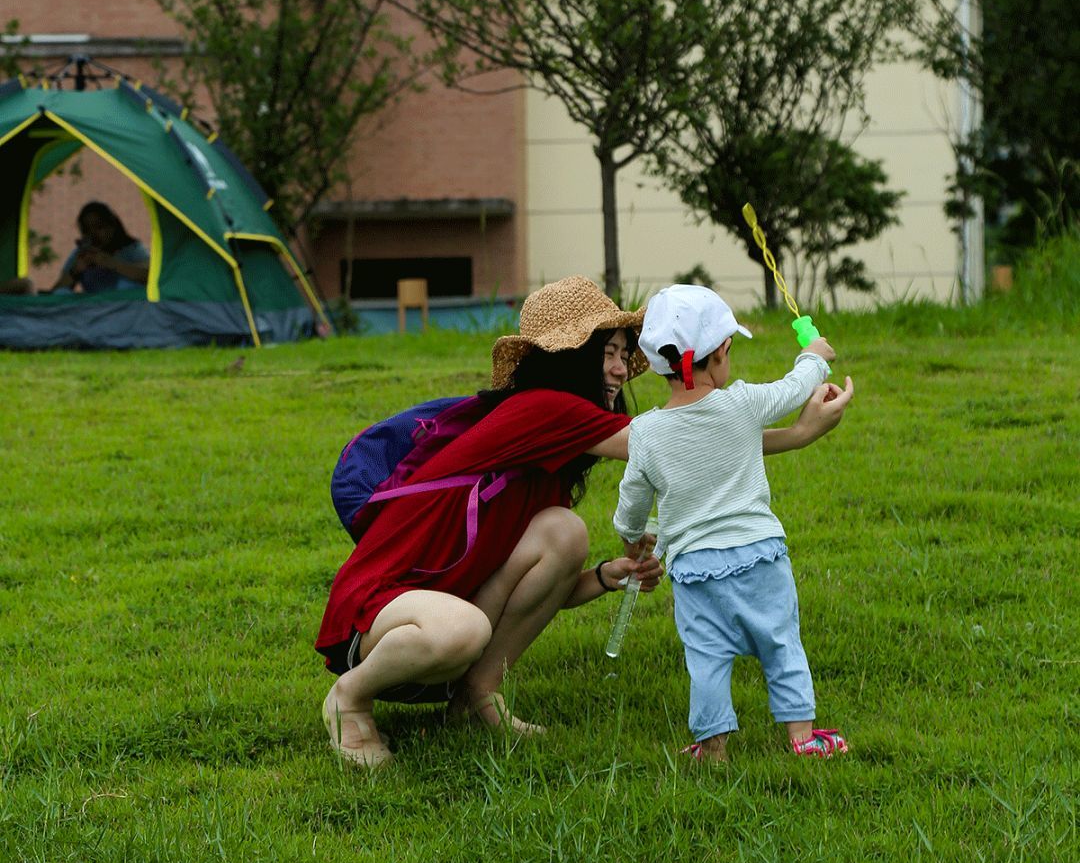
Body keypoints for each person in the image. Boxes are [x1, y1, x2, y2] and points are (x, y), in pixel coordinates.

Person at [317, 275, 854, 768]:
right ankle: (350, 699)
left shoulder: (551, 443)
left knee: (564, 531)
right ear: (571, 358)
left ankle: (475, 696)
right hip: (380, 609)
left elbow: (536, 588)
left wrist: (606, 574)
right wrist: (801, 433)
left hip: (441, 604)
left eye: (625, 353)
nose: (622, 369)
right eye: (609, 354)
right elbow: (690, 441)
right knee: (465, 627)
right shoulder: (544, 408)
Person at [614, 283, 852, 762]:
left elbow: (631, 504)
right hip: (760, 555)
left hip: (696, 571)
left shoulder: (644, 433)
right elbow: (793, 389)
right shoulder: (741, 404)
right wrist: (814, 356)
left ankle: (713, 747)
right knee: (782, 644)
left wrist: (634, 539)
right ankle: (802, 738)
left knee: (706, 659)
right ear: (721, 353)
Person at [48, 202, 150, 295]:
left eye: (99, 227)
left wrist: (111, 263)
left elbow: (151, 275)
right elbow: (55, 292)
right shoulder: (81, 254)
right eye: (87, 230)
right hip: (95, 310)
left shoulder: (132, 249)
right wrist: (75, 271)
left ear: (112, 227)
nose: (93, 234)